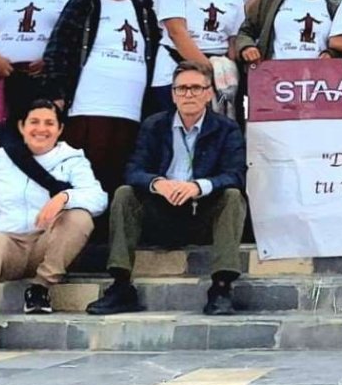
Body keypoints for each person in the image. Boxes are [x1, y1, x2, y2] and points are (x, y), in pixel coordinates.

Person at [86, 61, 248, 316]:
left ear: (208, 94)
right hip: (161, 212)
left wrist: (198, 186)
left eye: (196, 88)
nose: (188, 95)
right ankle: (120, 285)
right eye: (182, 89)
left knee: (232, 197)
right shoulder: (154, 125)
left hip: (202, 214)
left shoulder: (226, 129)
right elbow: (133, 170)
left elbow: (236, 175)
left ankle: (221, 287)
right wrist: (157, 183)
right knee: (124, 194)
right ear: (173, 94)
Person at [0, 99, 107, 357]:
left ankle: (40, 287)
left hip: (47, 245)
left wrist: (64, 198)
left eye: (49, 123)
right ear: (21, 126)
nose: (41, 129)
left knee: (80, 218)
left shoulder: (72, 158)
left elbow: (98, 198)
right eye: (34, 122)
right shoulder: (2, 157)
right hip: (9, 244)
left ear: (60, 129)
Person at [44, 0, 163, 196]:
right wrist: (56, 91)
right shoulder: (83, 3)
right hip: (89, 104)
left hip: (131, 108)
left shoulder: (143, 9)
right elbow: (58, 48)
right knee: (86, 173)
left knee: (119, 174)